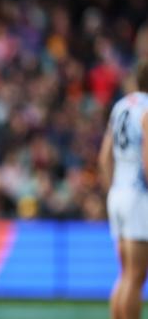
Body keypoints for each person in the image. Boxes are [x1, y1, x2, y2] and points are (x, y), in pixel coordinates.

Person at [98, 60, 148, 319]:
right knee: (136, 275)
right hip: (139, 195)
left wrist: (112, 190)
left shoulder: (122, 106)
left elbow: (104, 157)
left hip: (118, 193)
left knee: (126, 273)